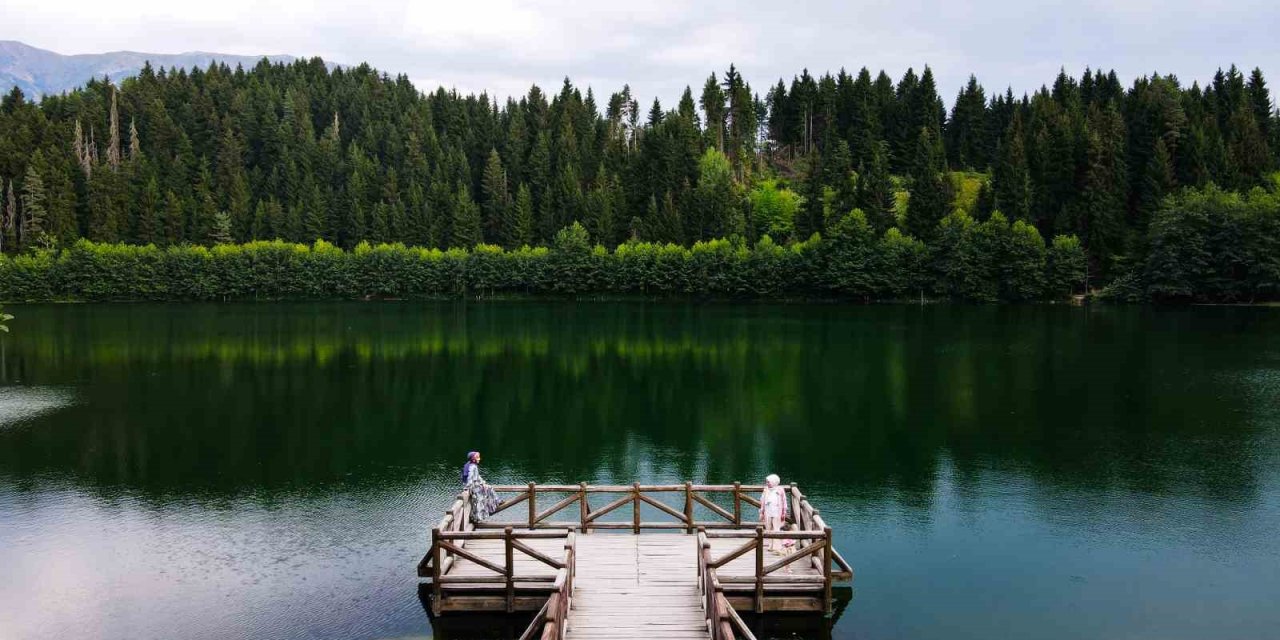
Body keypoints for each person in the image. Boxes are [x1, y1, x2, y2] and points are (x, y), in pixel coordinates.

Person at [461, 451, 499, 522]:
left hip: (477, 485)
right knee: (479, 501)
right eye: (477, 458)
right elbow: (470, 477)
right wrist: (468, 486)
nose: (479, 459)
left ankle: (493, 504)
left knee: (487, 490)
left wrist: (483, 483)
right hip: (475, 487)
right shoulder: (472, 467)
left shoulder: (473, 466)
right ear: (473, 459)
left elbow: (478, 477)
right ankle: (492, 505)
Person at [758, 473, 789, 553]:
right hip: (768, 512)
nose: (767, 483)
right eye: (767, 482)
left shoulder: (780, 490)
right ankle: (770, 545)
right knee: (768, 529)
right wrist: (762, 512)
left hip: (777, 513)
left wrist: (783, 512)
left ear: (774, 482)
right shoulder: (766, 490)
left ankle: (777, 546)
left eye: (769, 482)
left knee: (776, 529)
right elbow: (762, 501)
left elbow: (784, 501)